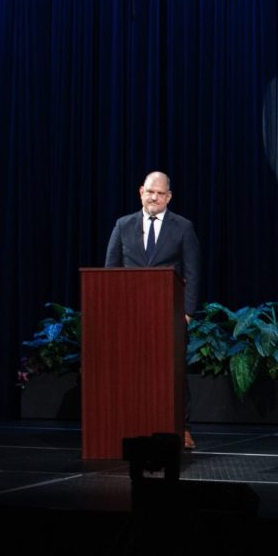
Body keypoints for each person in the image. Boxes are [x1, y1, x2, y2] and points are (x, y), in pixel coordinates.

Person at [106, 171, 200, 448]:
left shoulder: (183, 227)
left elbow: (193, 272)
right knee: (132, 372)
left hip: (169, 316)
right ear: (141, 192)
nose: (154, 197)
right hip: (130, 317)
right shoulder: (123, 225)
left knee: (174, 373)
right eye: (150, 192)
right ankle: (132, 423)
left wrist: (188, 313)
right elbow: (111, 270)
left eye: (160, 193)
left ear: (168, 197)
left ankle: (181, 428)